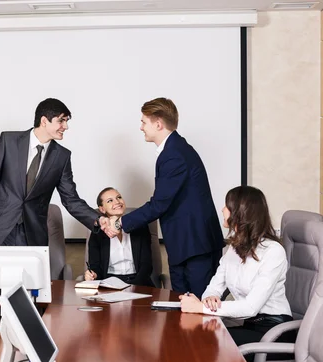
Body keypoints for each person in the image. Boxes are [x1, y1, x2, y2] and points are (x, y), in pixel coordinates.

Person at [113, 98, 224, 298]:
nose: (141, 128)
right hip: (184, 246)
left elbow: (159, 204)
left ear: (158, 124)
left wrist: (120, 223)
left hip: (195, 247)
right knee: (182, 311)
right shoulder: (174, 150)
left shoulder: (174, 154)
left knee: (200, 313)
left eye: (144, 122)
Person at [0, 98, 112, 247]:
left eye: (66, 121)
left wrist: (98, 219)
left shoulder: (62, 156)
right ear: (44, 121)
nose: (65, 126)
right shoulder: (8, 141)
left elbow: (71, 200)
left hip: (33, 235)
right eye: (61, 121)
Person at [180, 186, 292, 347]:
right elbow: (213, 287)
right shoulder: (233, 249)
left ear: (240, 212)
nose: (222, 209)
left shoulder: (274, 252)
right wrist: (209, 299)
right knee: (194, 333)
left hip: (274, 330)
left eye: (227, 206)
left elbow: (251, 307)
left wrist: (200, 307)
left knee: (204, 340)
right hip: (249, 326)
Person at [85, 187, 155, 287]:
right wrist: (93, 274)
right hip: (109, 284)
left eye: (119, 197)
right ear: (102, 209)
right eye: (110, 201)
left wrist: (133, 287)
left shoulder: (140, 226)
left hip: (139, 282)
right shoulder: (97, 232)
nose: (117, 202)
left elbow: (146, 265)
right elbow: (96, 267)